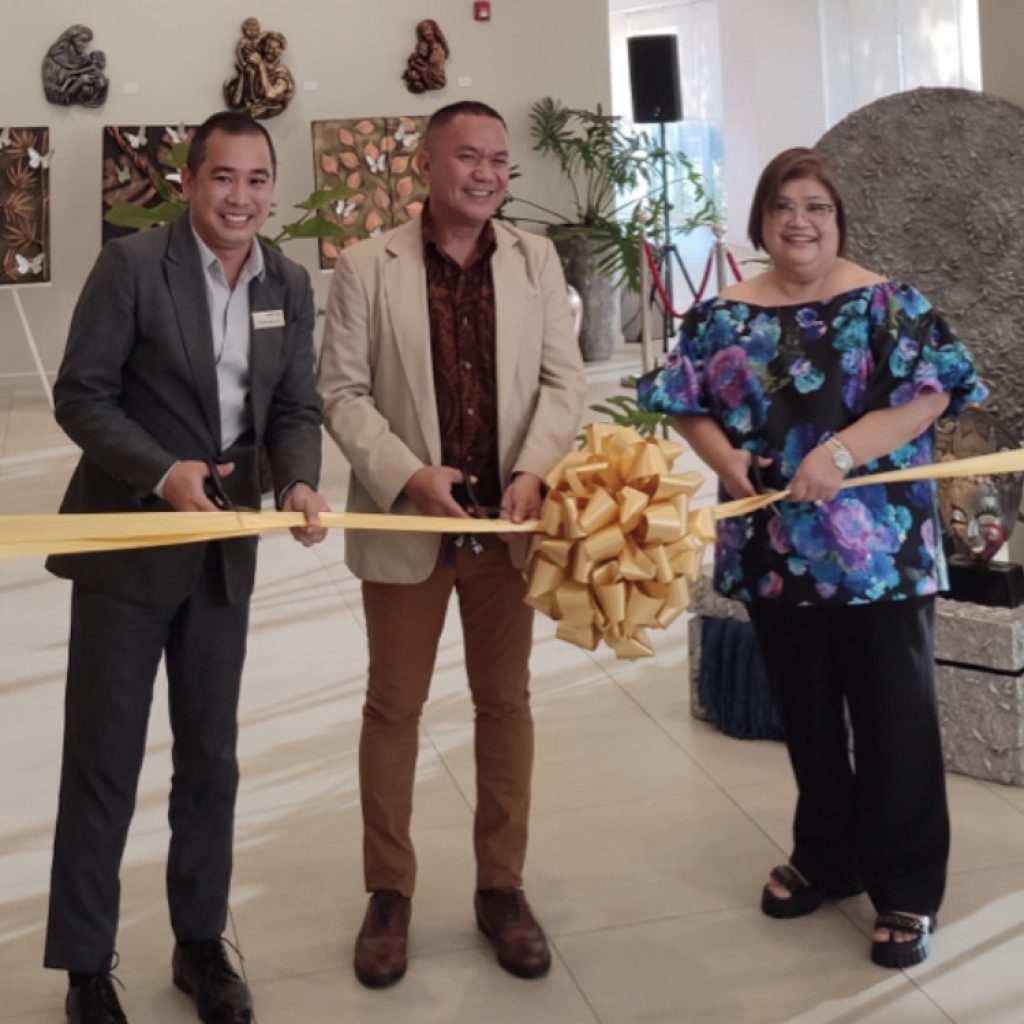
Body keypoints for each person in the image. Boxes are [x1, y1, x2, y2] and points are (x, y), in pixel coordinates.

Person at [639, 147, 986, 969]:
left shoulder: (888, 303)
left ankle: (906, 887)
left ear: (839, 221)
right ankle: (828, 857)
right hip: (775, 548)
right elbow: (685, 401)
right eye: (783, 207)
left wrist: (837, 453)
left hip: (881, 552)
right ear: (761, 222)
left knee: (896, 718)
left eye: (817, 207)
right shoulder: (721, 315)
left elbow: (932, 393)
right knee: (806, 716)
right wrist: (725, 460)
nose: (800, 222)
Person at [44, 111, 329, 1024]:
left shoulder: (286, 282)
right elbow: (81, 395)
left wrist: (299, 481)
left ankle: (200, 945)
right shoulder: (133, 267)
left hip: (222, 549)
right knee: (104, 760)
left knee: (211, 757)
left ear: (272, 188)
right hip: (128, 546)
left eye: (257, 179)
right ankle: (86, 968)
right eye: (223, 178)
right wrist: (162, 471)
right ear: (190, 183)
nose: (241, 197)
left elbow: (295, 407)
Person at [317, 100, 585, 988]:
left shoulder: (536, 260)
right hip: (412, 521)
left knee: (505, 704)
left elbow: (563, 383)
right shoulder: (367, 266)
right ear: (426, 165)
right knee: (393, 708)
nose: (486, 174)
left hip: (506, 524)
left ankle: (501, 887)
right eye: (468, 157)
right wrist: (407, 476)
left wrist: (536, 469)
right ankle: (388, 892)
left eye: (499, 160)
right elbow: (343, 392)